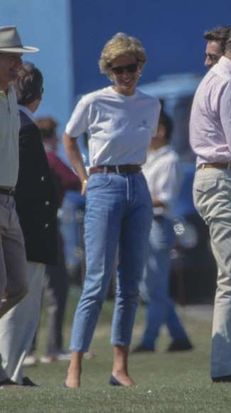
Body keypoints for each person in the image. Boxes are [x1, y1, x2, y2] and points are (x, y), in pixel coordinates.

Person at [63, 32, 161, 388]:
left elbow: (143, 144)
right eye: (117, 69)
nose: (125, 74)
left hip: (138, 183)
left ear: (140, 66)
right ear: (108, 70)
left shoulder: (151, 104)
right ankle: (74, 366)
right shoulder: (93, 101)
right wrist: (83, 177)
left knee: (131, 282)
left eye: (130, 67)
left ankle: (120, 367)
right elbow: (70, 137)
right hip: (103, 184)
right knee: (97, 279)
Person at [0, 62, 58, 386]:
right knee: (20, 306)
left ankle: (13, 370)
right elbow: (28, 186)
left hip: (21, 224)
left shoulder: (16, 121)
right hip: (26, 228)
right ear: (37, 95)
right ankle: (11, 370)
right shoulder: (25, 127)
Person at [190, 27, 231, 382]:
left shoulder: (216, 77)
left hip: (216, 177)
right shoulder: (229, 82)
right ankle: (224, 368)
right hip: (221, 178)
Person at [132, 110, 193, 353]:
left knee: (154, 285)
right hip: (144, 222)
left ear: (161, 131)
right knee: (150, 286)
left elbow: (164, 199)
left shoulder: (170, 160)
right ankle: (179, 336)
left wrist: (135, 198)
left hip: (157, 224)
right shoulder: (146, 158)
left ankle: (149, 339)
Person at [24, 116, 81, 365]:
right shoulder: (51, 158)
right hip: (48, 226)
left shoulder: (25, 155)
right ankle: (53, 347)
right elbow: (73, 181)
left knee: (30, 289)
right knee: (57, 288)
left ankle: (27, 348)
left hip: (26, 227)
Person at [0, 26, 39, 387]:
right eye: (13, 58)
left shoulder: (11, 94)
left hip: (8, 200)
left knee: (19, 286)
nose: (19, 65)